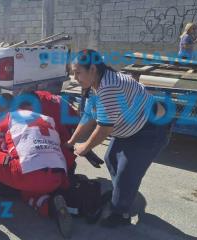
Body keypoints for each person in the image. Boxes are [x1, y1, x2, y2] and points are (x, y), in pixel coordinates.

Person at [67, 49, 172, 228]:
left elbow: (104, 128)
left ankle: (121, 213)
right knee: (111, 158)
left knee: (126, 173)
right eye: (73, 73)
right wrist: (71, 142)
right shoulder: (95, 83)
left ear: (92, 69)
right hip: (132, 127)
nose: (75, 78)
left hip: (151, 129)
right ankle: (122, 195)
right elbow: (88, 116)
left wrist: (84, 147)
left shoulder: (109, 87)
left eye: (78, 72)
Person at [0, 109, 73, 238]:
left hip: (27, 174)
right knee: (29, 191)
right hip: (56, 178)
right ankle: (50, 206)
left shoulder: (7, 118)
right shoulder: (48, 118)